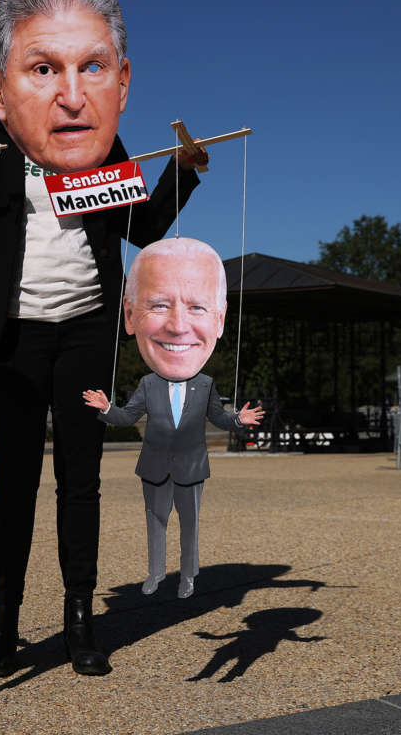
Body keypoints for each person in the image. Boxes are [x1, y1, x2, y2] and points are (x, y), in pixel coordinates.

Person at [0, 0, 209, 677]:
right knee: (13, 483)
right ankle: (4, 623)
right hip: (10, 335)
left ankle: (79, 622)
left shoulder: (99, 146)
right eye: (40, 72)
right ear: (2, 89)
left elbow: (146, 226)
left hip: (87, 332)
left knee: (81, 479)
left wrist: (184, 169)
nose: (67, 98)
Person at [82, 238, 264, 599]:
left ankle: (189, 577)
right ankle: (155, 574)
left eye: (197, 307)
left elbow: (220, 418)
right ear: (129, 316)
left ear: (221, 319)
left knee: (190, 526)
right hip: (153, 467)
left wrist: (239, 420)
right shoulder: (147, 384)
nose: (178, 326)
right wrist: (105, 409)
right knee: (155, 524)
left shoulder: (207, 385)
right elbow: (128, 415)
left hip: (192, 468)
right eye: (159, 305)